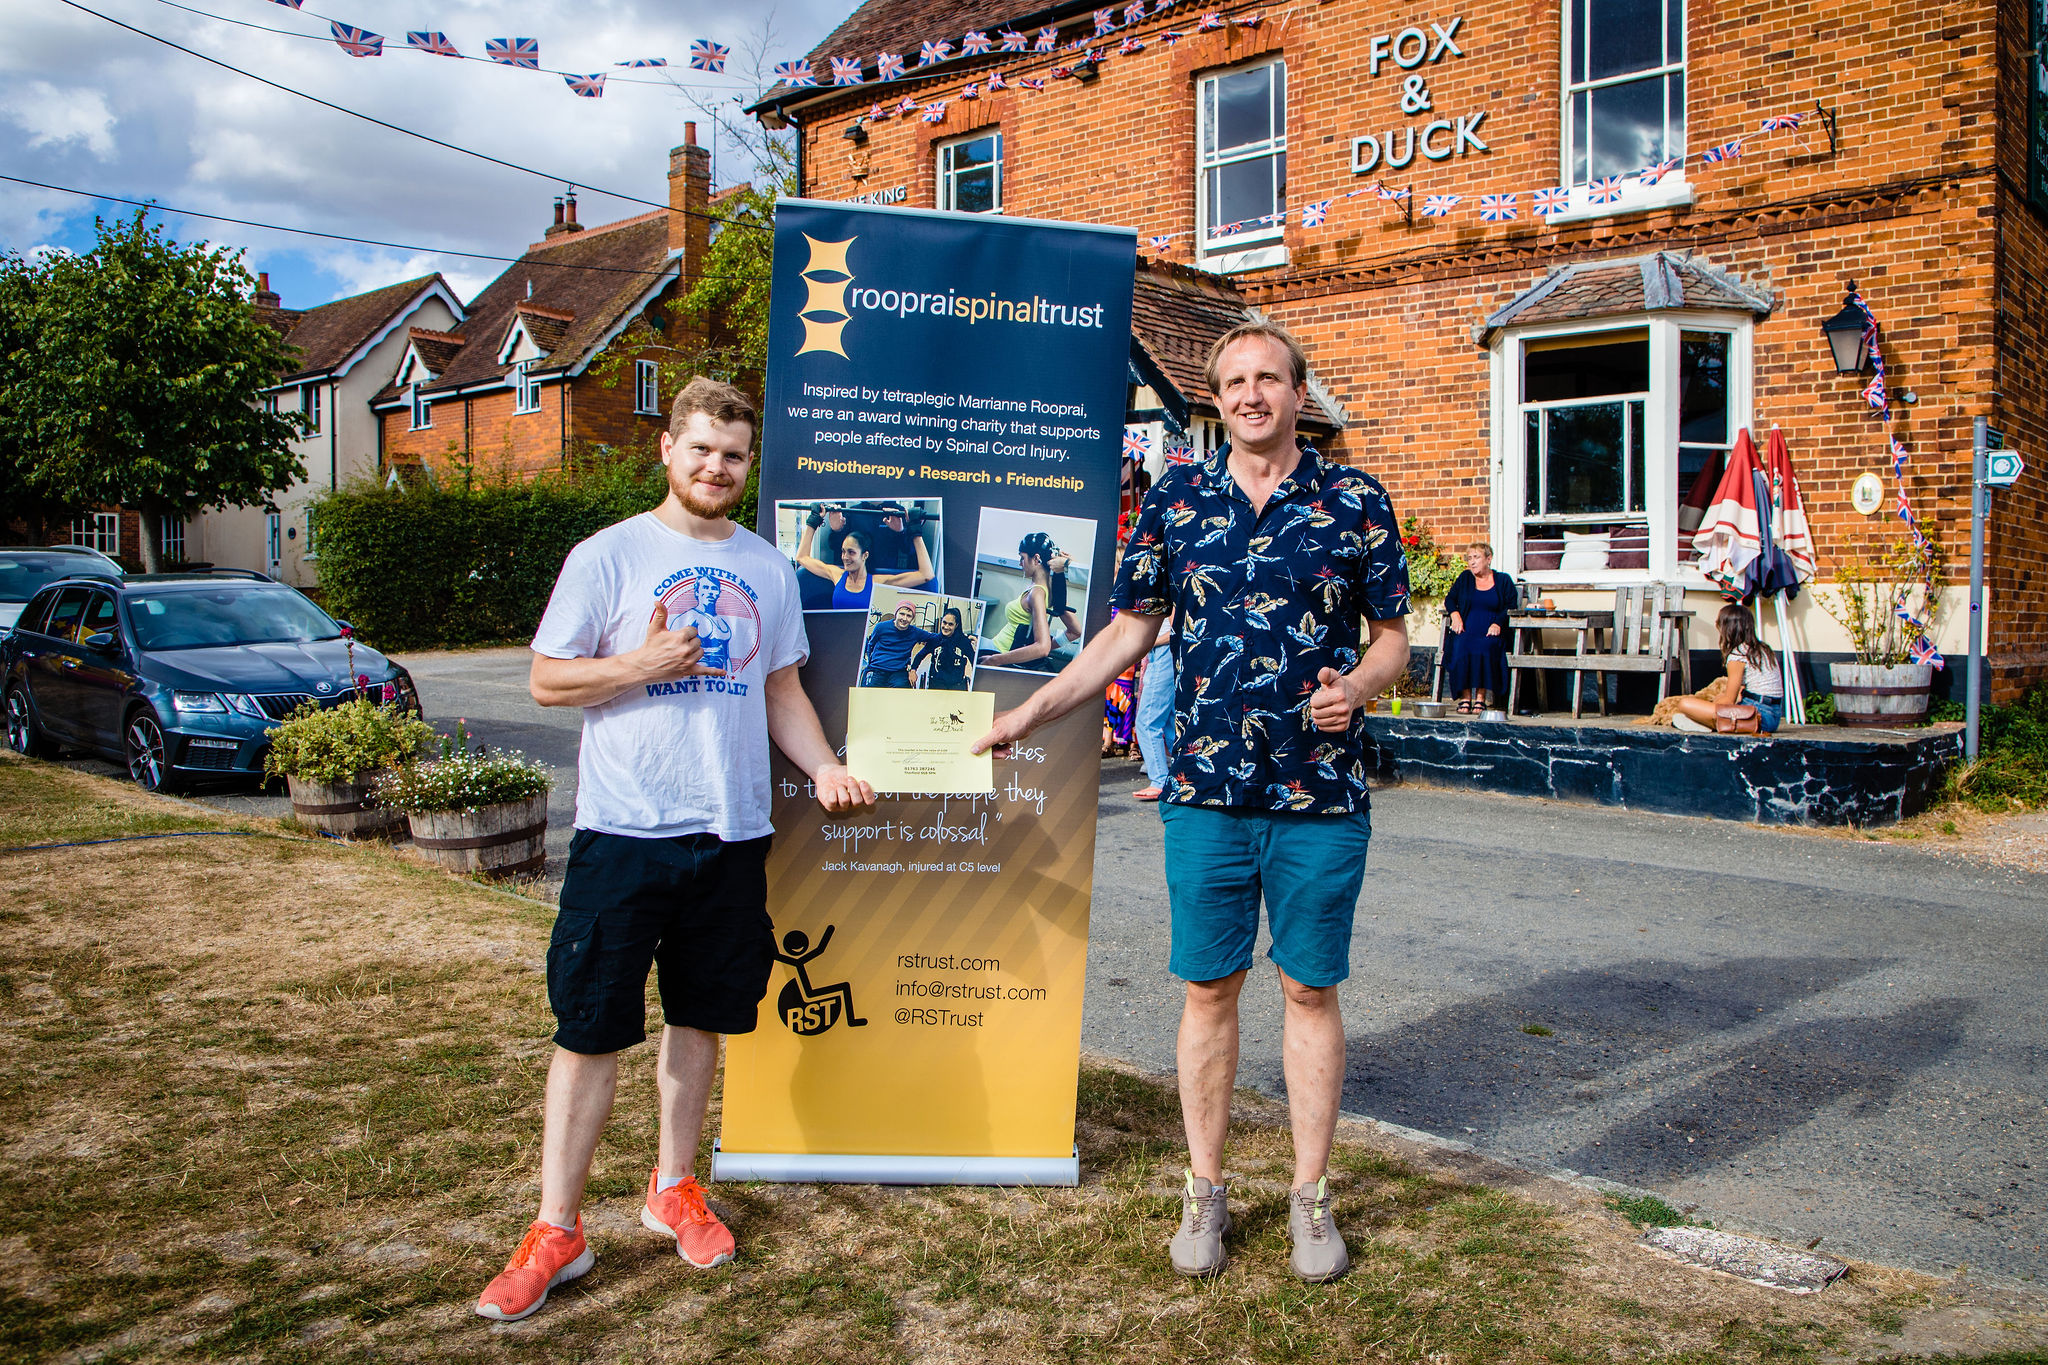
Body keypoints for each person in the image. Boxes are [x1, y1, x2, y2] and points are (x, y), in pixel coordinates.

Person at [974, 322, 1411, 1284]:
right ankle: (1206, 1191)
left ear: (1300, 392)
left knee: (1310, 987)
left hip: (1320, 791)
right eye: (1234, 382)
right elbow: (1128, 632)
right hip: (1206, 790)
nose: (1252, 394)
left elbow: (1394, 639)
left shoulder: (1354, 500)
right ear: (1215, 399)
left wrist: (1361, 686)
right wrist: (1031, 712)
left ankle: (1309, 1196)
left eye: (1269, 378)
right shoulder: (1177, 497)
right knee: (1208, 989)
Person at [477, 377, 876, 1324]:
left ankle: (673, 1188)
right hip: (624, 833)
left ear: (749, 464)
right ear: (667, 449)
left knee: (701, 1020)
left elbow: (780, 688)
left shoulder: (768, 569)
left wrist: (821, 766)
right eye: (701, 449)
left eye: (734, 455)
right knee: (590, 1031)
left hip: (732, 834)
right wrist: (638, 665)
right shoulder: (607, 555)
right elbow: (543, 679)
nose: (716, 467)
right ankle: (557, 1229)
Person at [1673, 602, 1785, 733]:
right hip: (1773, 716)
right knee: (1718, 698)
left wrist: (1715, 701)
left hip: (1758, 717)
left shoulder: (1738, 654)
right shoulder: (1763, 649)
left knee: (1685, 704)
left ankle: (1707, 723)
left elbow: (1729, 701)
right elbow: (1741, 691)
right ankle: (1707, 721)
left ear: (1727, 629)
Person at [982, 532, 1082, 670]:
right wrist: (1031, 649)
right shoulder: (1050, 590)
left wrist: (995, 660)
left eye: (1022, 558)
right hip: (998, 648)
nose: (1020, 563)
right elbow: (1075, 631)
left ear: (1036, 558)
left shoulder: (1037, 593)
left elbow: (1042, 648)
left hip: (999, 651)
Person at [794, 514, 933, 609]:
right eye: (843, 551)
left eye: (851, 552)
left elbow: (926, 575)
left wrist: (915, 531)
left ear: (865, 555)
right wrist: (813, 521)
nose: (845, 557)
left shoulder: (878, 582)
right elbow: (802, 557)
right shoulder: (836, 574)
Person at [1442, 543, 1517, 713]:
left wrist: (1498, 622)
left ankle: (1480, 698)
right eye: (1469, 558)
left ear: (1488, 559)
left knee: (1485, 646)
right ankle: (1465, 697)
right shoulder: (1465, 579)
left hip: (1491, 630)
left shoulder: (1503, 580)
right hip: (1466, 629)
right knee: (1461, 645)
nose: (1472, 562)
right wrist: (1455, 615)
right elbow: (1450, 599)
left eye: (1476, 557)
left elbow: (1511, 605)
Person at [1131, 615, 1176, 800]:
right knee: (1170, 720)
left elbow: (1176, 632)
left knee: (1147, 721)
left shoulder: (1173, 590)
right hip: (1160, 652)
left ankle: (1160, 781)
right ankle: (1186, 773)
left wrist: (1148, 643)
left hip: (1164, 650)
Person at [859, 600, 937, 688]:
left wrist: (913, 669)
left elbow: (937, 638)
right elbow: (870, 645)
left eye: (909, 616)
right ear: (896, 614)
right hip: (877, 669)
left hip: (898, 672)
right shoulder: (881, 627)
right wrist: (870, 662)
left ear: (912, 618)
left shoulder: (915, 632)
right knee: (869, 693)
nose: (904, 618)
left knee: (900, 695)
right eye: (902, 614)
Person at [911, 606, 976, 690]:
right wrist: (913, 670)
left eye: (950, 624)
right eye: (944, 623)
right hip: (937, 682)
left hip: (957, 683)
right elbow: (920, 656)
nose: (946, 627)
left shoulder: (964, 642)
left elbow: (974, 661)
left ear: (956, 625)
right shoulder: (934, 640)